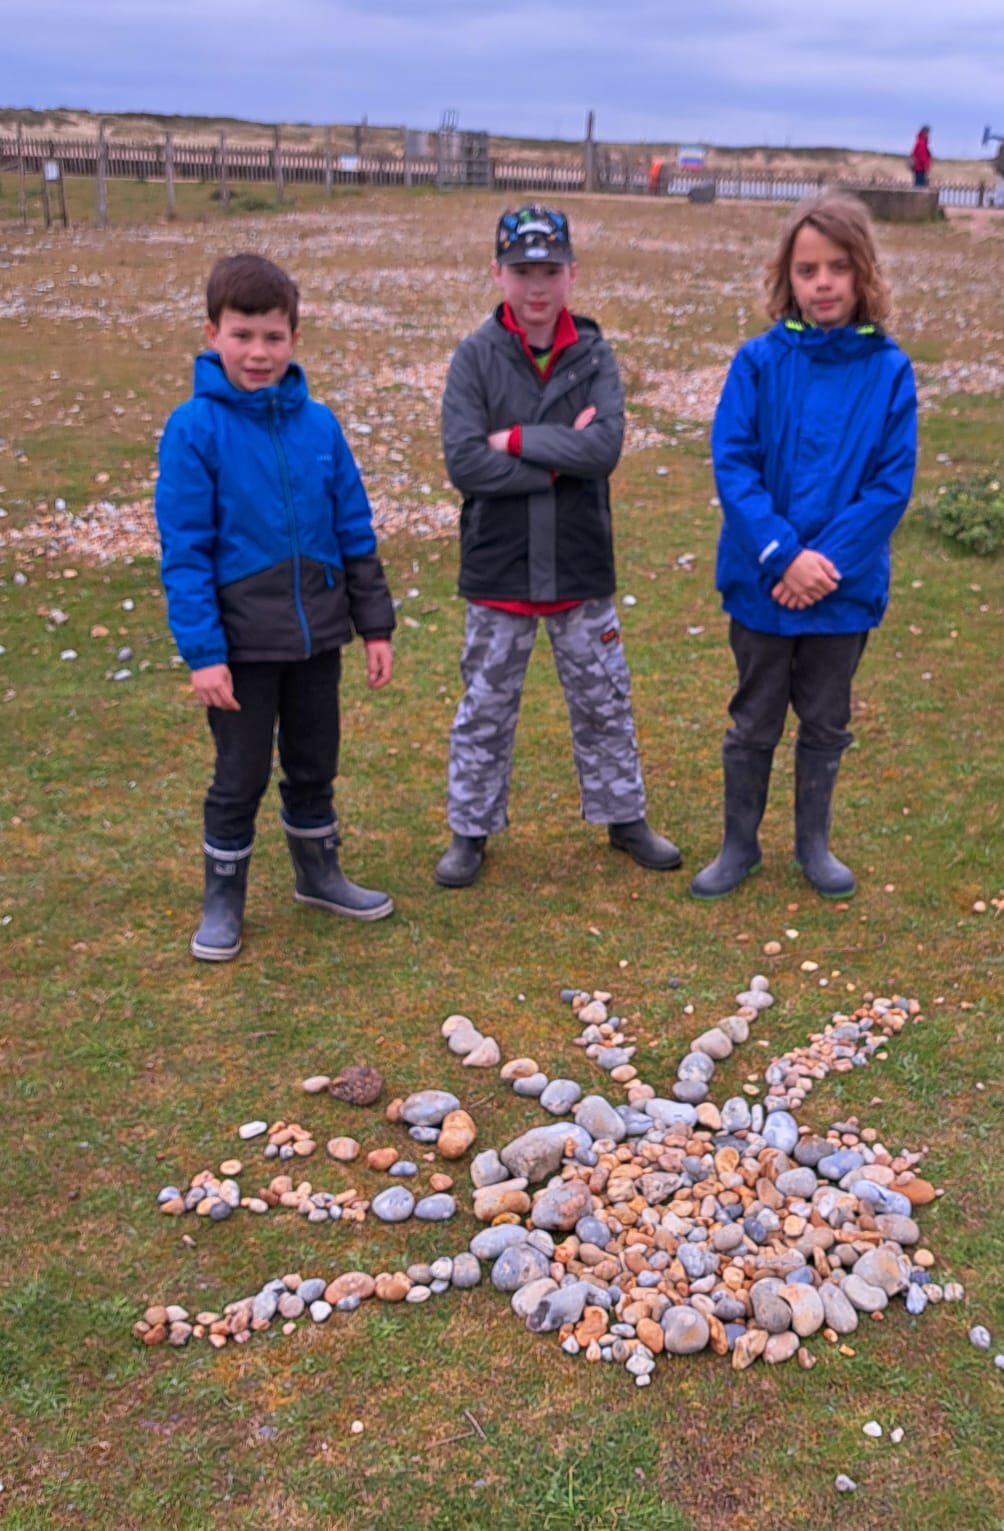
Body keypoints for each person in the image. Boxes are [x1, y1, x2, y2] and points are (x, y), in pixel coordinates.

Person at [155, 253, 396, 961]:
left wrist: (374, 625)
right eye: (242, 335)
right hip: (241, 647)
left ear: (294, 338)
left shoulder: (320, 426)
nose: (258, 353)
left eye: (273, 337)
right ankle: (223, 897)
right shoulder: (193, 429)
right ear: (212, 335)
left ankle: (318, 874)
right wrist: (204, 653)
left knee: (315, 760)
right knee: (240, 776)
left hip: (318, 635)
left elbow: (355, 529)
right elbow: (186, 552)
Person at [435, 204, 681, 888]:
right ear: (498, 274)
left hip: (578, 562)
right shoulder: (474, 356)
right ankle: (469, 830)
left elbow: (602, 450)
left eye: (549, 271)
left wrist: (514, 440)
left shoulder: (596, 354)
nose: (536, 286)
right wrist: (555, 463)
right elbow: (465, 462)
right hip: (499, 564)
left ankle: (624, 818)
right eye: (522, 271)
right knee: (485, 710)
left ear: (572, 273)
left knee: (605, 701)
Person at [691, 191, 917, 901]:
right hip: (763, 583)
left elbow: (890, 485)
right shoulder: (758, 363)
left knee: (825, 718)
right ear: (786, 277)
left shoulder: (889, 371)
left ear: (863, 273)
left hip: (841, 591)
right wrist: (783, 555)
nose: (823, 283)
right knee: (754, 718)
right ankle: (739, 844)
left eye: (838, 268)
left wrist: (825, 564)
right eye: (808, 269)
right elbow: (735, 464)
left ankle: (813, 845)